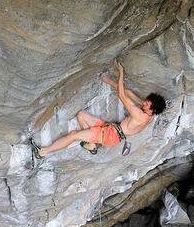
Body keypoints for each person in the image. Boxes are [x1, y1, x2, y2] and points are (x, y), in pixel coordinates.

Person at [32, 61, 166, 158]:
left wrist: (121, 73)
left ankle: (43, 152)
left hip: (109, 135)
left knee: (73, 135)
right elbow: (129, 93)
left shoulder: (140, 116)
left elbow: (121, 95)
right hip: (111, 128)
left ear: (152, 109)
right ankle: (91, 145)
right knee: (81, 115)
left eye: (148, 103)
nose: (144, 102)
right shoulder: (150, 113)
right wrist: (107, 80)